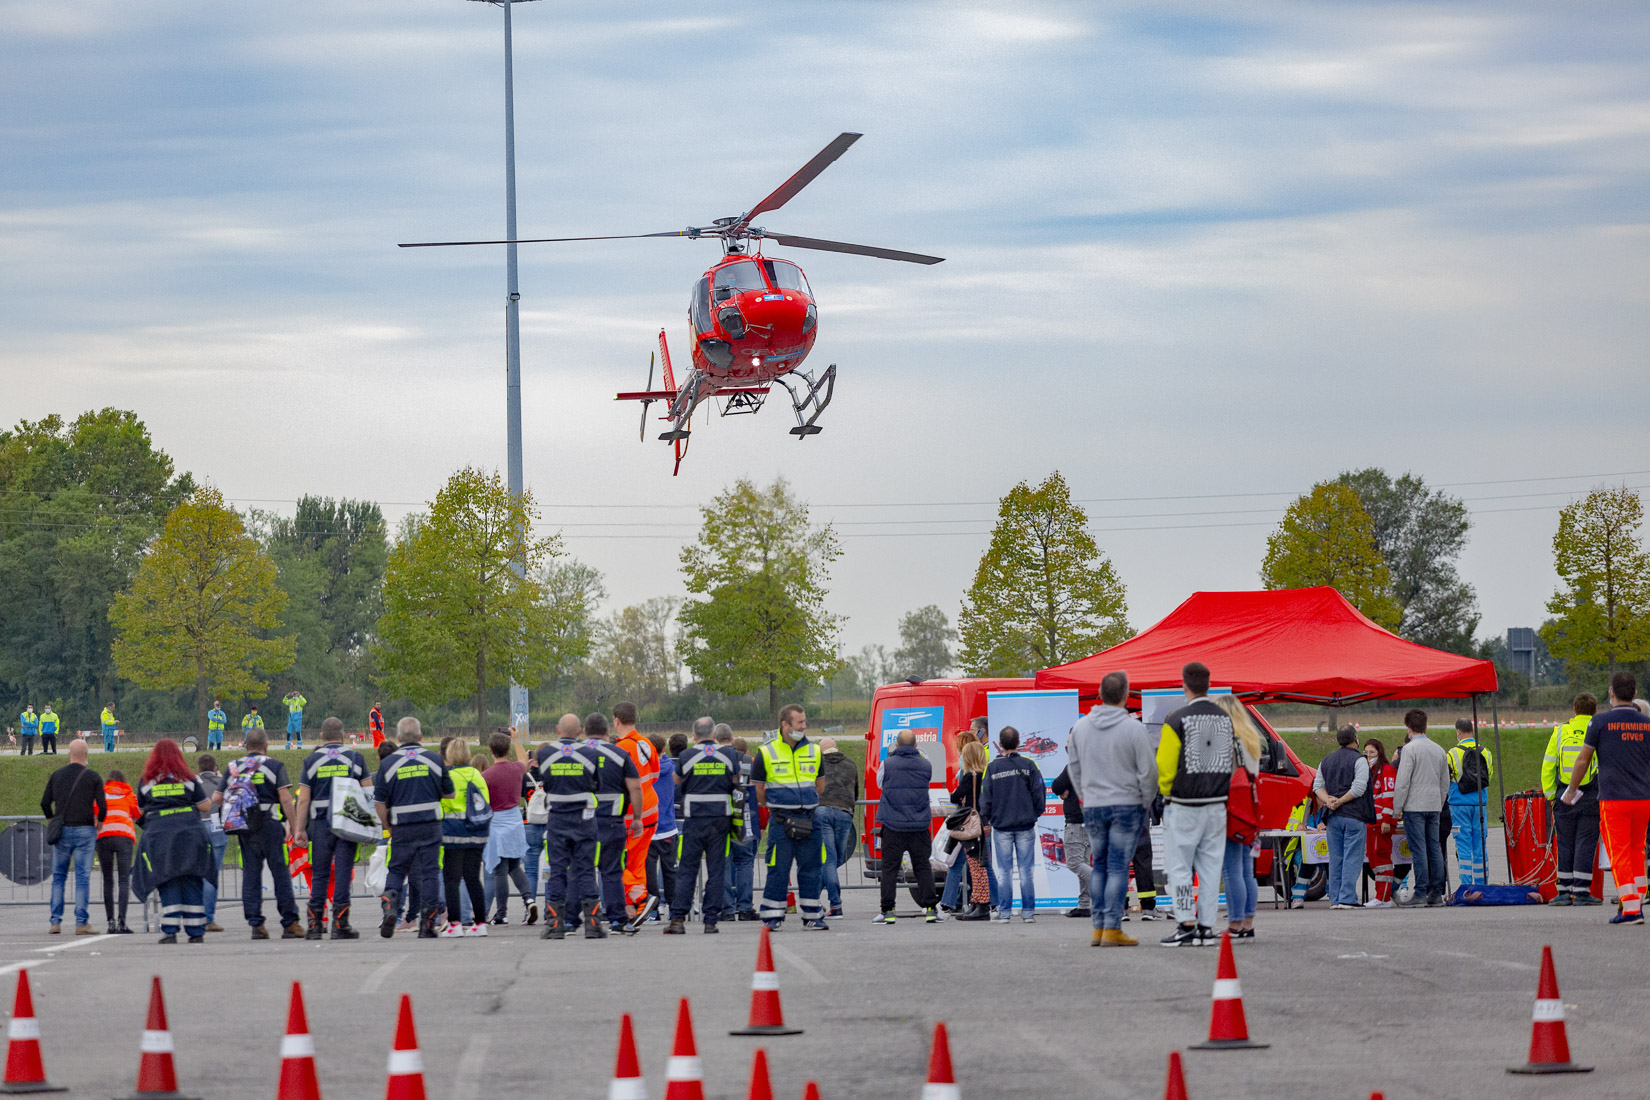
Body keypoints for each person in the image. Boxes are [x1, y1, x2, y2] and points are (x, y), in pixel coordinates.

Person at [1155, 662, 1251, 947]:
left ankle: (1186, 923)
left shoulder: (1176, 721)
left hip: (1184, 804)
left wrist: (1166, 794)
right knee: (1211, 869)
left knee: (1180, 867)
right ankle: (1206, 927)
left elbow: (1165, 767)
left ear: (1184, 685)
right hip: (1217, 804)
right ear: (1209, 686)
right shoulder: (1225, 720)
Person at [1066, 670, 1156, 945]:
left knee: (1101, 865)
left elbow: (1074, 768)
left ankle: (1098, 928)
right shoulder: (1134, 728)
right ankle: (1113, 928)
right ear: (1126, 694)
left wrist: (1085, 796)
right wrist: (1145, 800)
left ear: (1100, 694)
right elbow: (1149, 771)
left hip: (1094, 805)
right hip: (1126, 804)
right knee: (1117, 866)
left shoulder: (1081, 727)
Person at [1562, 671, 1650, 925]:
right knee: (1637, 851)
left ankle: (1631, 909)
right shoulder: (1646, 724)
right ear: (1634, 693)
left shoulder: (1599, 722)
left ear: (1611, 693)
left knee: (1619, 853)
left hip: (1614, 798)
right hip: (1643, 799)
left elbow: (1583, 760)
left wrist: (1571, 790)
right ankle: (1636, 902)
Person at [293, 716, 372, 940]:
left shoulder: (311, 761)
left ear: (321, 736)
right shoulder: (356, 758)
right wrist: (367, 827)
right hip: (347, 822)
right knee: (343, 872)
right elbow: (368, 794)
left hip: (320, 824)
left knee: (320, 873)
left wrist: (300, 829)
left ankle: (315, 925)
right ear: (343, 735)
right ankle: (340, 924)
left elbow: (303, 800)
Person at [376, 717, 454, 939]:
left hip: (402, 827)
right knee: (430, 873)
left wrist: (388, 825)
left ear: (398, 737)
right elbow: (450, 793)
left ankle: (390, 907)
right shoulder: (434, 760)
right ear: (421, 736)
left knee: (397, 870)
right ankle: (427, 924)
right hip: (430, 825)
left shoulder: (388, 764)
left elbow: (379, 802)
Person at [753, 704, 829, 930]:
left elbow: (820, 786)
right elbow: (758, 790)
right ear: (785, 724)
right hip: (780, 821)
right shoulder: (766, 752)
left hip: (810, 819)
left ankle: (812, 915)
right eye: (799, 722)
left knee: (812, 869)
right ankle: (772, 917)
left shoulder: (815, 750)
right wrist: (777, 805)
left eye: (805, 721)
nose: (804, 726)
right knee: (778, 868)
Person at [131, 739, 213, 944]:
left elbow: (139, 811)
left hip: (160, 838)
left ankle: (170, 930)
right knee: (192, 879)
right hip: (190, 835)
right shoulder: (188, 779)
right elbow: (204, 807)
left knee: (167, 879)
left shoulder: (147, 781)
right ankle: (196, 932)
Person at [222, 729, 301, 939]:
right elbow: (285, 798)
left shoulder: (233, 767)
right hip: (270, 824)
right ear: (266, 746)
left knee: (251, 874)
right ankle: (290, 922)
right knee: (280, 872)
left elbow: (218, 797)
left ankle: (256, 924)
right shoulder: (274, 765)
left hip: (245, 827)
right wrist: (295, 828)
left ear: (246, 746)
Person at [667, 717, 739, 934]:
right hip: (720, 820)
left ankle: (677, 919)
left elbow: (676, 781)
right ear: (714, 735)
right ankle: (710, 921)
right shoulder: (728, 754)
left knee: (687, 869)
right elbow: (736, 781)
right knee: (716, 869)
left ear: (694, 736)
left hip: (694, 820)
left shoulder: (687, 755)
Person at [535, 713, 600, 939]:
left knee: (557, 871)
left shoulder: (545, 753)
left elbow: (545, 781)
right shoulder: (590, 753)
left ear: (557, 729)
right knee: (586, 870)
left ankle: (555, 925)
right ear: (580, 732)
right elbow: (597, 783)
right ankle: (593, 925)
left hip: (557, 818)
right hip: (584, 819)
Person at [980, 725, 1046, 923]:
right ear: (1018, 742)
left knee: (1005, 872)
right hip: (1025, 825)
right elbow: (1039, 793)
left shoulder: (992, 767)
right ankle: (1028, 914)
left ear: (1000, 744)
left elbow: (985, 798)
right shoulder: (1030, 765)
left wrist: (988, 819)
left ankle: (1004, 913)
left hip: (1002, 827)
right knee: (1026, 872)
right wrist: (1034, 814)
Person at [584, 713, 644, 932]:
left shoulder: (575, 753)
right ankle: (617, 919)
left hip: (579, 822)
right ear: (608, 730)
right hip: (611, 821)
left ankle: (570, 920)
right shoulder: (619, 754)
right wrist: (637, 818)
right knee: (611, 872)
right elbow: (635, 787)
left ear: (585, 731)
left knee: (580, 870)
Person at [874, 729, 941, 924]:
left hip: (893, 824)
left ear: (896, 745)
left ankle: (888, 911)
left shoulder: (887, 764)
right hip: (919, 825)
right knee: (922, 867)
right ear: (916, 745)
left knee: (889, 869)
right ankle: (931, 909)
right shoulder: (926, 765)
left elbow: (880, 784)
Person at [40, 739, 105, 935]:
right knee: (82, 877)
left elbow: (44, 802)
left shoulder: (57, 775)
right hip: (85, 830)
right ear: (86, 756)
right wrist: (99, 825)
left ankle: (55, 922)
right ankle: (81, 923)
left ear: (69, 754)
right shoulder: (93, 776)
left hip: (62, 831)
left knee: (59, 877)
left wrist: (52, 820)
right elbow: (103, 806)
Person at [1543, 694, 1600, 906]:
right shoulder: (1597, 729)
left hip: (1563, 795)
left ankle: (1564, 890)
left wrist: (1552, 794)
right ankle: (1582, 891)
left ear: (1574, 709)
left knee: (1564, 843)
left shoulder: (1560, 731)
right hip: (1591, 795)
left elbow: (1549, 765)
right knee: (1585, 841)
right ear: (1595, 710)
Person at [1391, 709, 1450, 907]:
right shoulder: (1439, 750)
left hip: (1414, 806)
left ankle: (1420, 892)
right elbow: (1445, 782)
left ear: (1408, 728)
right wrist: (1439, 802)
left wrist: (1397, 808)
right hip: (1434, 805)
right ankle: (1436, 893)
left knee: (1419, 850)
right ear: (1426, 726)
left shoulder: (1409, 750)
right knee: (1435, 848)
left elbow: (1403, 782)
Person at [1217, 695, 1265, 937]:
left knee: (1231, 869)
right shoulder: (1251, 739)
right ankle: (1247, 922)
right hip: (1248, 808)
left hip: (1231, 809)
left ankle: (1234, 923)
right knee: (1247, 869)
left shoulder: (1226, 740)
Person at [611, 702, 660, 928]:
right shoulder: (646, 743)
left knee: (614, 862)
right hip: (651, 809)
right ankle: (637, 909)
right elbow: (655, 775)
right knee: (637, 864)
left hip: (633, 813)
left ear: (616, 720)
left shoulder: (621, 748)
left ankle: (641, 898)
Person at [1314, 724, 1372, 910]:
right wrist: (1340, 801)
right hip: (1354, 814)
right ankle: (1347, 897)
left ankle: (1335, 898)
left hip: (1332, 817)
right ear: (1355, 739)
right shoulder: (1360, 760)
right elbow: (1359, 788)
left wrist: (1328, 801)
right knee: (1352, 857)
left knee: (1335, 858)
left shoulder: (1326, 760)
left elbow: (1317, 786)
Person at [438, 738, 490, 937]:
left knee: (451, 879)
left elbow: (442, 803)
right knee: (473, 878)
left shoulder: (449, 776)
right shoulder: (477, 775)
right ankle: (480, 923)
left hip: (454, 833)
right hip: (478, 832)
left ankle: (455, 924)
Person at [482, 729, 532, 925]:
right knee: (515, 865)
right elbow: (524, 760)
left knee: (499, 870)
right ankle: (529, 899)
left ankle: (502, 913)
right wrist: (516, 738)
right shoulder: (516, 769)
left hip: (497, 822)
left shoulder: (486, 775)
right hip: (515, 820)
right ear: (508, 750)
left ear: (490, 750)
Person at [943, 741, 995, 920]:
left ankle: (982, 904)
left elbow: (955, 796)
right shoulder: (987, 775)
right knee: (982, 865)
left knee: (976, 866)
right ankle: (983, 902)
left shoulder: (969, 776)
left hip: (971, 825)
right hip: (984, 822)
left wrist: (956, 794)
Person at [815, 735, 861, 919]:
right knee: (837, 858)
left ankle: (829, 903)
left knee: (829, 860)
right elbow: (856, 792)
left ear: (820, 751)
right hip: (844, 812)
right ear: (837, 748)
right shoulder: (850, 763)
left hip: (821, 811)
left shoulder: (817, 763)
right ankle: (821, 901)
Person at [1445, 718, 1493, 886]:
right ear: (1472, 730)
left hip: (1459, 806)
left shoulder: (1452, 753)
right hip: (1479, 804)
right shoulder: (1486, 752)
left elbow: (1447, 778)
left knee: (1463, 846)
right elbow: (1488, 777)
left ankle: (1466, 886)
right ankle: (1482, 885)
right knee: (1480, 846)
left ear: (1458, 732)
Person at [721, 728, 759, 921]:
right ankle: (745, 907)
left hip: (720, 815)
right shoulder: (748, 760)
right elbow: (756, 789)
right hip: (743, 815)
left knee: (723, 862)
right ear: (732, 738)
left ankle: (727, 909)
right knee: (744, 861)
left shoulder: (715, 758)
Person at [97, 768, 139, 934]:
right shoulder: (129, 795)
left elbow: (95, 811)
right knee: (123, 880)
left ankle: (110, 922)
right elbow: (137, 813)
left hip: (104, 836)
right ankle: (122, 921)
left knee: (108, 880)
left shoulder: (101, 794)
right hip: (124, 837)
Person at [1049, 765, 1092, 919]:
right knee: (1084, 864)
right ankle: (1084, 905)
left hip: (1076, 821)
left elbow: (1057, 786)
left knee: (1074, 863)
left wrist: (1063, 790)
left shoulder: (1075, 763)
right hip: (1092, 821)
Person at [1362, 738, 1399, 908]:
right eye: (1366, 752)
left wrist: (1386, 820)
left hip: (1381, 823)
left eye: (1372, 752)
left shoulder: (1387, 769)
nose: (1369, 755)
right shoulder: (1369, 771)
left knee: (1382, 858)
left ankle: (1383, 897)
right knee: (1374, 861)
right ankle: (1381, 896)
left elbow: (1389, 796)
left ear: (1379, 752)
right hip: (1371, 823)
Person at [647, 732, 678, 921]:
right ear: (664, 749)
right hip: (668, 827)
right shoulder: (671, 768)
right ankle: (674, 910)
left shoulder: (644, 770)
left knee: (649, 873)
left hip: (649, 828)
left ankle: (652, 911)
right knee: (670, 872)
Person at [195, 753, 227, 932]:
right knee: (211, 875)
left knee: (196, 874)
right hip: (217, 828)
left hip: (197, 829)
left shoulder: (193, 782)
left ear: (198, 768)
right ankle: (208, 918)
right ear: (215, 768)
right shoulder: (222, 782)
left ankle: (195, 916)